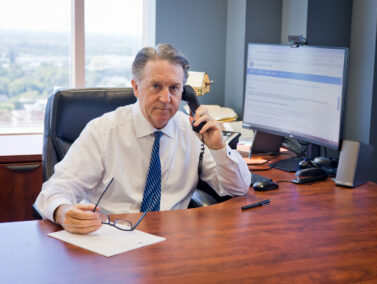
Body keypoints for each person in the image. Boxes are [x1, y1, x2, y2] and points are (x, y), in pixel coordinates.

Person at [35, 43, 251, 234]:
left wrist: (219, 148)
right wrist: (63, 213)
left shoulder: (192, 132)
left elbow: (238, 188)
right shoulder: (104, 130)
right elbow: (54, 191)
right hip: (111, 238)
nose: (166, 99)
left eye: (174, 88)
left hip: (174, 242)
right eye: (156, 86)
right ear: (136, 87)